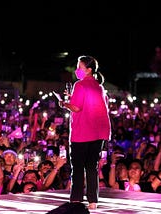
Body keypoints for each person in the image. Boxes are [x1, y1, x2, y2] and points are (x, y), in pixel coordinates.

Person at [58, 55, 111, 210]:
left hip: (82, 133)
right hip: (98, 133)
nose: (77, 70)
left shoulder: (80, 85)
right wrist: (72, 99)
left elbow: (76, 108)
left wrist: (64, 103)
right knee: (92, 167)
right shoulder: (99, 86)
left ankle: (76, 201)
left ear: (88, 70)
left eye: (80, 67)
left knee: (78, 168)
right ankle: (93, 201)